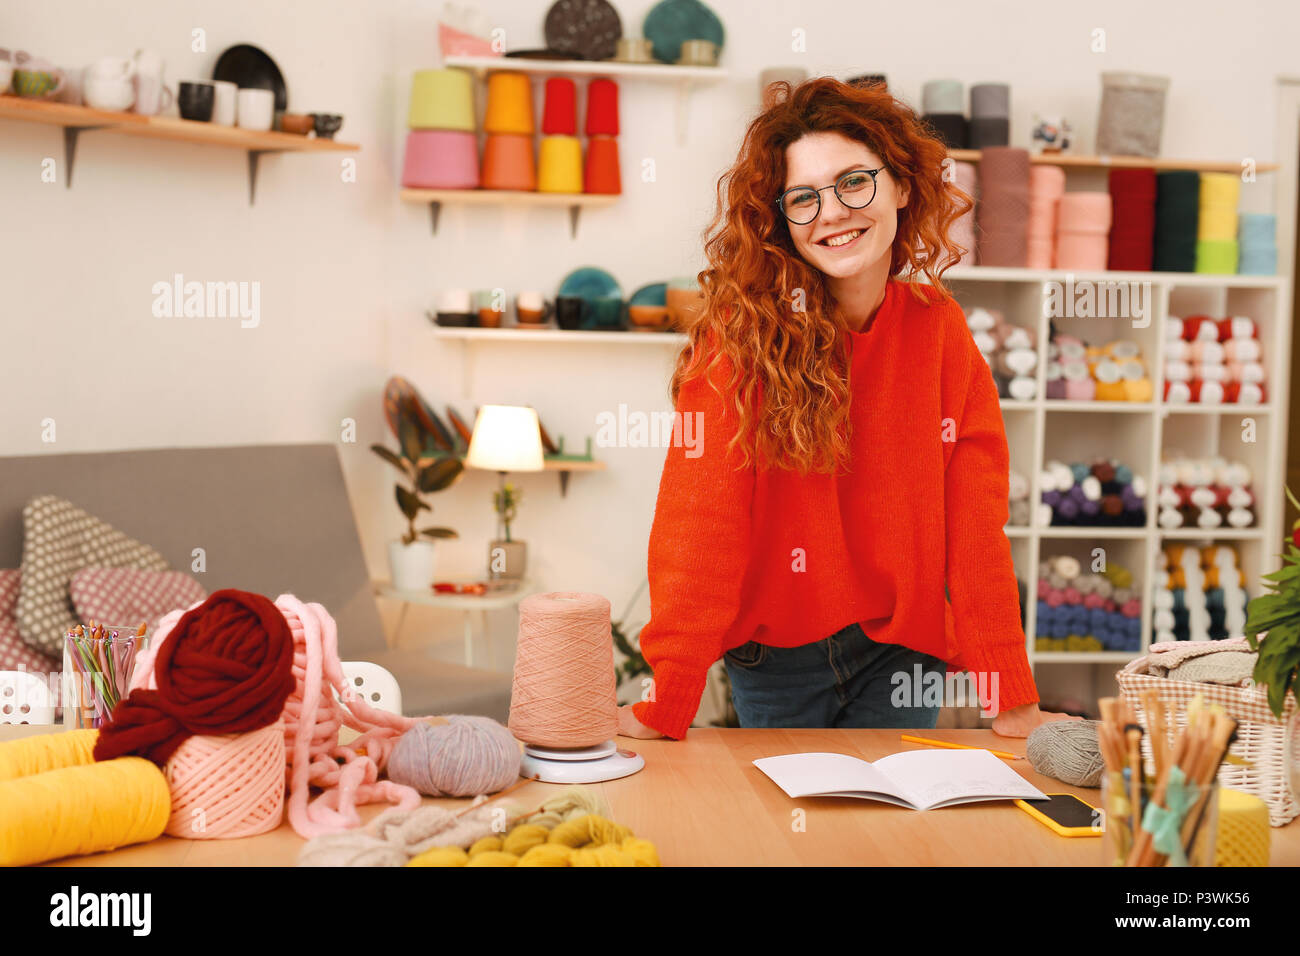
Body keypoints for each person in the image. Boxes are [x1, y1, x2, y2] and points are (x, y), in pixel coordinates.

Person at [617, 77, 1078, 741]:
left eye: (853, 182)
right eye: (803, 198)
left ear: (900, 186)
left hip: (900, 653)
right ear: (782, 220)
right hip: (775, 658)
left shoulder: (939, 331)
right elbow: (700, 523)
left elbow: (976, 526)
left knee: (886, 838)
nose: (830, 212)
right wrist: (668, 699)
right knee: (791, 839)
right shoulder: (738, 338)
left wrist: (1010, 698)